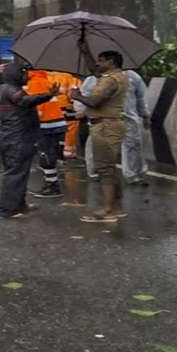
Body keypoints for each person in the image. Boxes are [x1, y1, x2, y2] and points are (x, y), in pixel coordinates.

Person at [70, 49, 130, 223]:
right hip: (111, 124)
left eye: (101, 60)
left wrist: (77, 96)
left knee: (104, 168)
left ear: (110, 62)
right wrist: (85, 50)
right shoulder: (117, 76)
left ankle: (107, 210)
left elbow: (95, 101)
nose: (97, 64)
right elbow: (96, 72)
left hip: (105, 126)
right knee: (110, 167)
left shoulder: (110, 80)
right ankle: (116, 207)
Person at [0, 61, 60, 219]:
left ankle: (19, 204)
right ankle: (6, 209)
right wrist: (49, 95)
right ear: (15, 75)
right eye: (23, 73)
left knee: (20, 173)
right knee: (15, 173)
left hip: (12, 137)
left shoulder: (1, 89)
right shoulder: (12, 90)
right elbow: (25, 101)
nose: (27, 76)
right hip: (17, 138)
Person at [28, 70, 70, 198]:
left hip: (45, 124)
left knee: (45, 156)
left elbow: (37, 106)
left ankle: (52, 186)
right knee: (50, 155)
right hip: (57, 123)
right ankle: (52, 184)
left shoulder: (34, 83)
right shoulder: (46, 80)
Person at [122, 68, 151, 185]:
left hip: (128, 117)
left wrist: (145, 115)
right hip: (107, 117)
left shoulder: (132, 76)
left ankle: (134, 174)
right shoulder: (99, 78)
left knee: (133, 144)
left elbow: (141, 98)